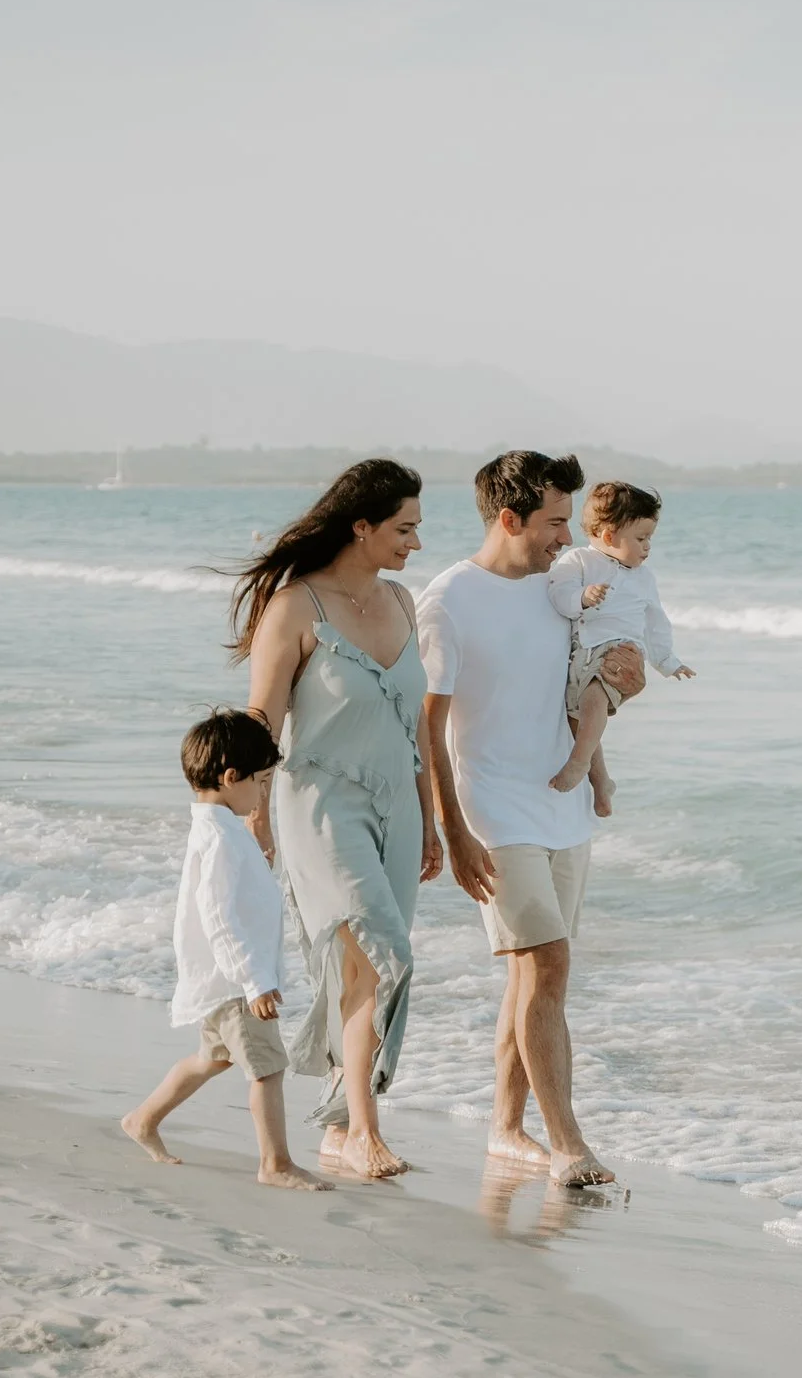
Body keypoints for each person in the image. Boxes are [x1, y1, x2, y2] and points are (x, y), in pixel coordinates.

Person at [418, 450, 641, 1187]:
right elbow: (429, 727)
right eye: (552, 522)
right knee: (547, 962)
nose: (564, 537)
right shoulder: (450, 599)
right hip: (492, 809)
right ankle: (569, 1144)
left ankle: (506, 1129)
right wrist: (448, 829)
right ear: (509, 519)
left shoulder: (562, 590)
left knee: (533, 979)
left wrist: (624, 690)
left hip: (562, 806)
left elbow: (587, 678)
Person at [235, 459, 443, 1181]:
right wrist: (248, 815)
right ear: (362, 526)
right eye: (404, 529)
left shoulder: (404, 603)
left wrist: (433, 818)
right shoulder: (297, 607)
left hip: (398, 808)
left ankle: (339, 1119)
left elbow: (417, 725)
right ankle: (362, 1130)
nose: (415, 543)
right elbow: (263, 716)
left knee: (365, 967)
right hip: (320, 805)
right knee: (377, 954)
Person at [121, 709, 329, 1191]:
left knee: (209, 1059)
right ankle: (274, 1163)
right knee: (268, 1070)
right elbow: (219, 917)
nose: (262, 794)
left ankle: (142, 1119)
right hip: (238, 981)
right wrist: (255, 981)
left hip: (226, 979)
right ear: (230, 777)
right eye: (258, 782)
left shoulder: (223, 829)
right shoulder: (218, 837)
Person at [545, 481, 696, 809]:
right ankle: (601, 783)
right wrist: (581, 598)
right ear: (609, 536)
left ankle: (578, 765)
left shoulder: (644, 578)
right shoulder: (578, 562)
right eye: (641, 539)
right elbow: (559, 593)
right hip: (582, 652)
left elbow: (656, 622)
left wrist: (667, 661)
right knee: (579, 719)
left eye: (649, 539)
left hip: (618, 652)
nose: (647, 548)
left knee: (593, 701)